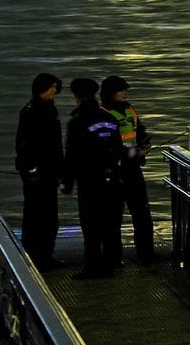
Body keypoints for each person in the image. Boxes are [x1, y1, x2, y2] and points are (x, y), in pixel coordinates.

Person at [61, 78, 125, 280]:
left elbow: (72, 155)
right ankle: (112, 262)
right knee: (110, 223)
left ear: (77, 96)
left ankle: (93, 266)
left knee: (91, 225)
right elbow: (118, 148)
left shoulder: (78, 121)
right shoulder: (109, 118)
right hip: (112, 177)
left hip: (89, 180)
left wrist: (68, 182)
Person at [100, 75, 155, 265]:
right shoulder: (104, 113)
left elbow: (139, 131)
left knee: (142, 214)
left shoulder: (129, 109)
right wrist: (135, 151)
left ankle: (146, 255)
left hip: (132, 168)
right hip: (115, 171)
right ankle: (113, 259)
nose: (125, 93)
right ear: (110, 92)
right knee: (113, 217)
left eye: (126, 90)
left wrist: (144, 143)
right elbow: (107, 145)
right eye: (121, 90)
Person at [14, 73, 64, 270]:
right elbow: (24, 144)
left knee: (47, 215)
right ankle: (37, 255)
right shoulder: (32, 111)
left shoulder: (46, 109)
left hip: (48, 172)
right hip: (39, 174)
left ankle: (44, 254)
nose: (55, 90)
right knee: (37, 215)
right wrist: (31, 169)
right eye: (52, 87)